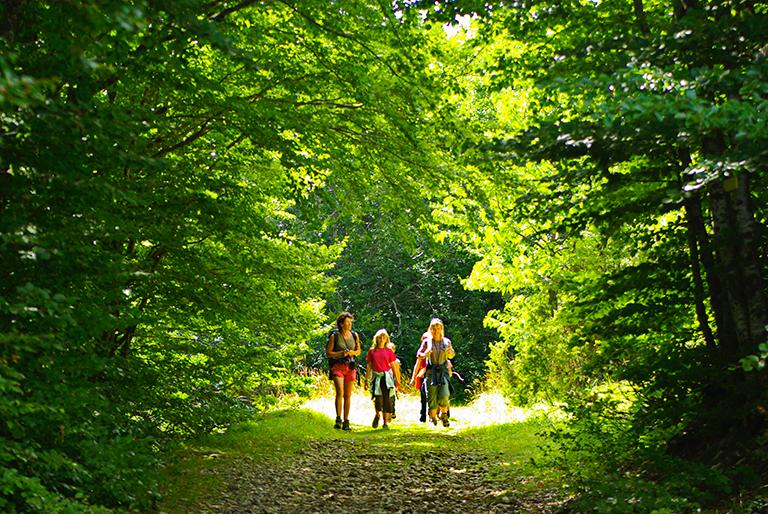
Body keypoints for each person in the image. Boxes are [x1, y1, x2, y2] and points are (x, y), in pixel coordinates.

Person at [326, 311, 361, 430]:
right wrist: (341, 353)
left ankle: (346, 420)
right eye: (347, 322)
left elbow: (358, 351)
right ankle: (338, 418)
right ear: (341, 324)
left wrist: (352, 353)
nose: (349, 324)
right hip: (337, 366)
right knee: (340, 392)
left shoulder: (354, 335)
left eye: (350, 322)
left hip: (350, 367)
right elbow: (329, 353)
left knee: (348, 395)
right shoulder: (334, 336)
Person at [419, 318, 455, 427]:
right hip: (431, 372)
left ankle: (444, 415)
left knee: (445, 394)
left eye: (438, 328)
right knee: (432, 396)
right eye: (433, 328)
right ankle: (433, 417)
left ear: (441, 328)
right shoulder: (427, 342)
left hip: (443, 371)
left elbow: (451, 355)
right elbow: (419, 354)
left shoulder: (446, 341)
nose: (436, 330)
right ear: (430, 329)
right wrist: (425, 354)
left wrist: (450, 352)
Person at [365, 329, 400, 430]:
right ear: (376, 339)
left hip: (386, 378)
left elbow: (393, 365)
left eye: (383, 337)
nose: (381, 339)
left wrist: (397, 379)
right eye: (380, 337)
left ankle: (385, 423)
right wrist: (367, 380)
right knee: (377, 399)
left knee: (387, 399)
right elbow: (369, 366)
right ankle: (377, 414)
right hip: (376, 377)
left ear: (386, 339)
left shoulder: (388, 351)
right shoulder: (372, 351)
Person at [411, 331, 430, 422]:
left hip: (433, 373)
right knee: (423, 396)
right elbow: (417, 365)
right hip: (423, 375)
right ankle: (423, 416)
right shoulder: (421, 353)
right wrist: (413, 377)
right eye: (424, 339)